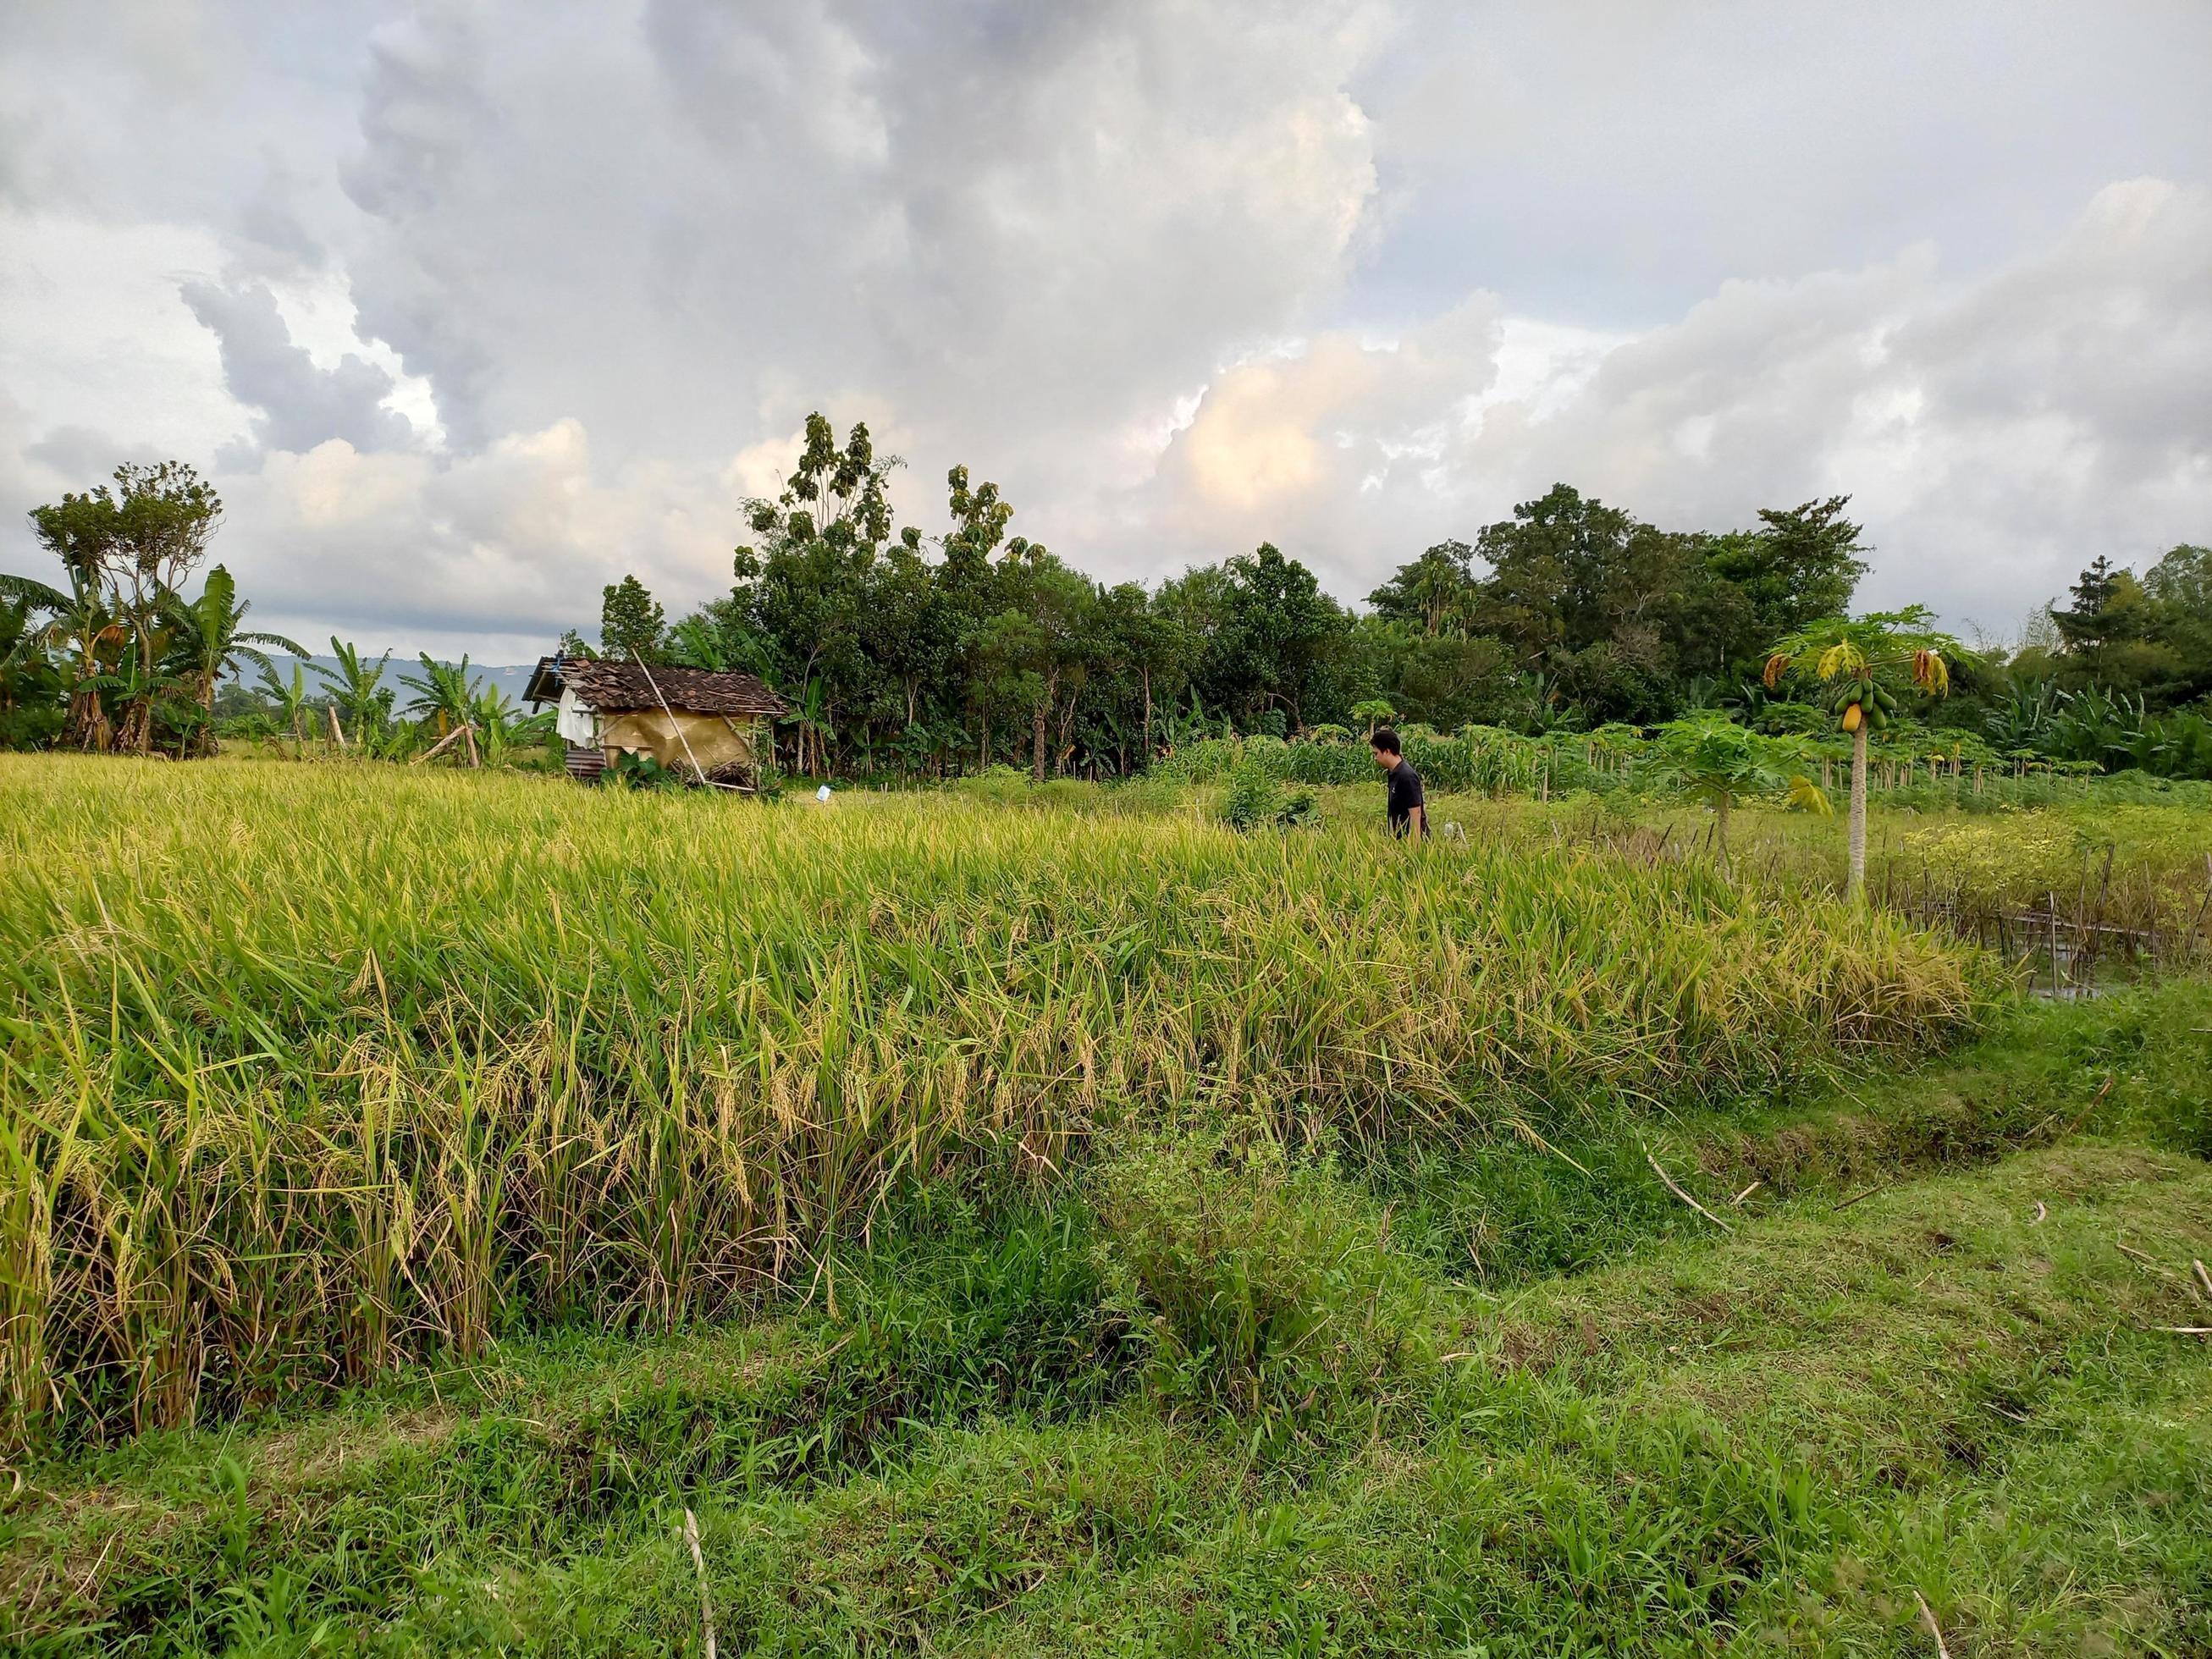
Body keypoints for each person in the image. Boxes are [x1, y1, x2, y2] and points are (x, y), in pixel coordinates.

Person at [1371, 727, 1426, 839]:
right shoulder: (1394, 773)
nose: (1375, 758)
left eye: (1376, 754)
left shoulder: (1406, 776)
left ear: (1387, 751)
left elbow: (1416, 813)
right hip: (1398, 839)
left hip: (1409, 842)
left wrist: (1413, 845)